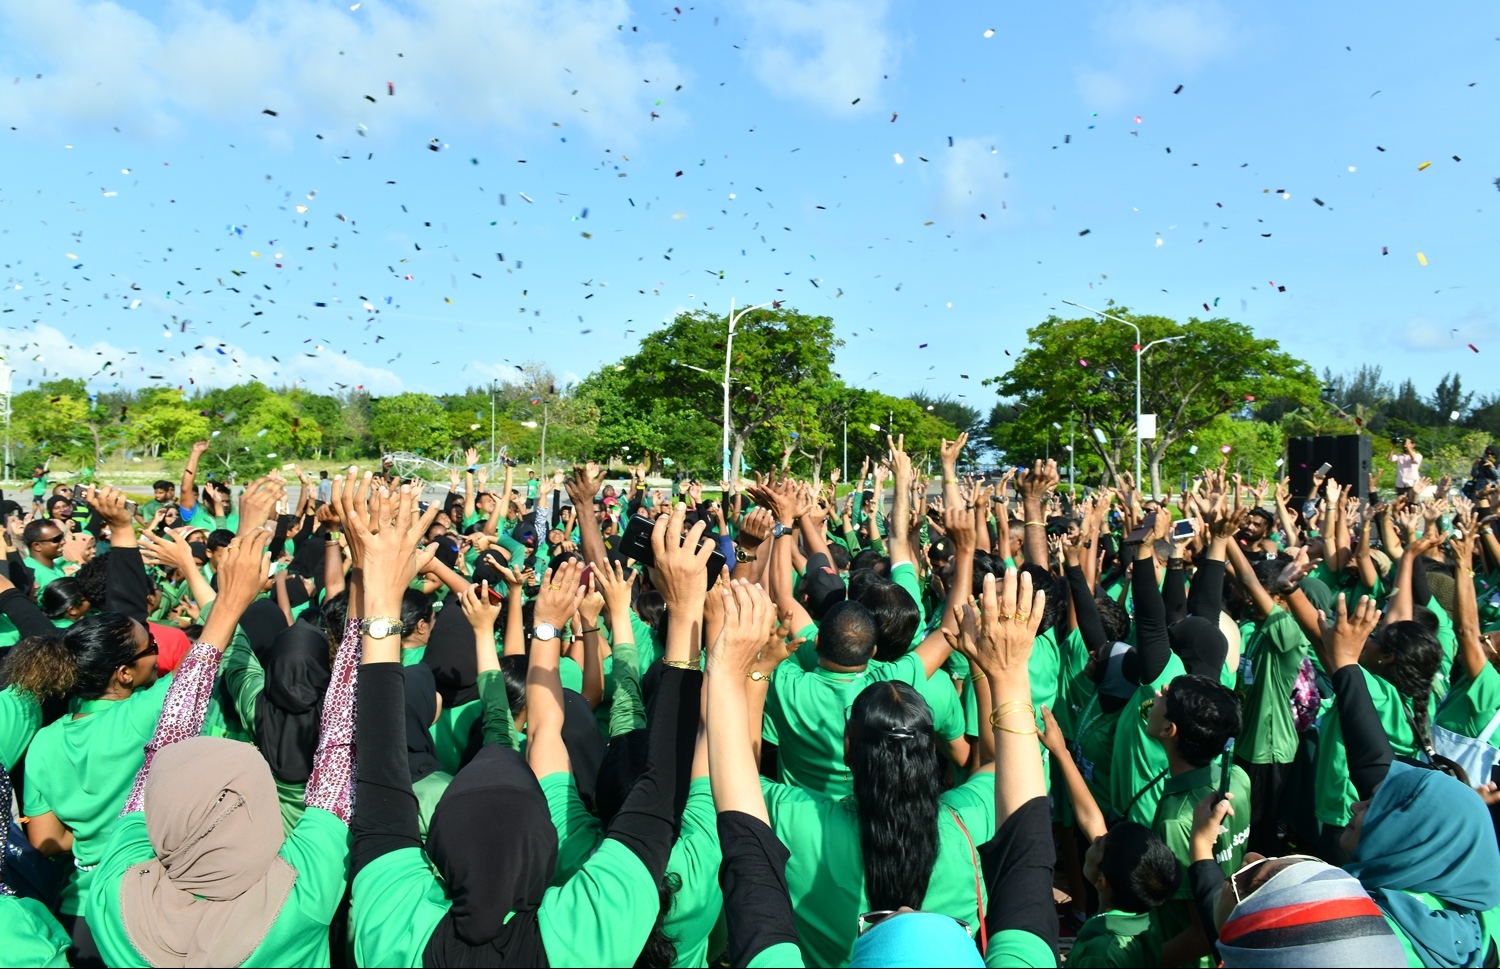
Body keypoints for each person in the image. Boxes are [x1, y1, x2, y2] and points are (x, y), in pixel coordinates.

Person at [349, 492, 703, 967]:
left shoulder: (392, 927)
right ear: (546, 847)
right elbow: (663, 785)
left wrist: (379, 595)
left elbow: (377, 780)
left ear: (436, 850)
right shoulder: (586, 930)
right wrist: (685, 613)